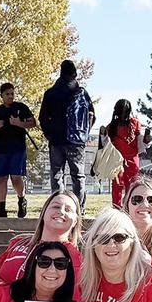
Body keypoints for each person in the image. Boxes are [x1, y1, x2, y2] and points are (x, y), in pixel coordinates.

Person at [38, 59, 95, 202]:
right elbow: (92, 115)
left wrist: (49, 134)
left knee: (57, 174)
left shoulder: (51, 93)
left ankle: (58, 204)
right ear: (74, 73)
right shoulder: (82, 94)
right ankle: (79, 208)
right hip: (77, 140)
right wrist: (84, 133)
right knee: (78, 176)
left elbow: (43, 118)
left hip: (56, 139)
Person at [0, 191, 83, 281]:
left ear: (75, 221)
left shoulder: (75, 259)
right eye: (56, 206)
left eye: (68, 210)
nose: (61, 211)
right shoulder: (18, 242)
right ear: (43, 213)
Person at [0, 82, 38, 218]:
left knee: (16, 178)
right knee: (1, 178)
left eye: (12, 94)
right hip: (2, 148)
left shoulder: (21, 107)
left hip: (18, 147)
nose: (10, 96)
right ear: (1, 96)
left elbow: (33, 122)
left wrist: (19, 123)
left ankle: (21, 199)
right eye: (7, 94)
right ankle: (2, 210)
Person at [103, 99, 145, 207]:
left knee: (117, 185)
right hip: (131, 159)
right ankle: (130, 208)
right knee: (131, 186)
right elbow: (141, 140)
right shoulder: (135, 123)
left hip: (117, 160)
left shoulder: (111, 126)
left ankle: (117, 208)